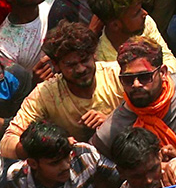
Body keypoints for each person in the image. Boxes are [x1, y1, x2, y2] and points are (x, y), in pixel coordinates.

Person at [0, 22, 121, 157]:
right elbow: (7, 143)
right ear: (56, 66)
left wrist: (112, 123)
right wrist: (50, 143)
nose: (81, 69)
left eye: (84, 60)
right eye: (71, 65)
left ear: (94, 55)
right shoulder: (45, 94)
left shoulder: (117, 74)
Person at [92, 36, 176, 158]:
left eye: (144, 77)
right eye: (127, 79)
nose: (136, 84)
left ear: (163, 73)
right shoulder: (112, 130)